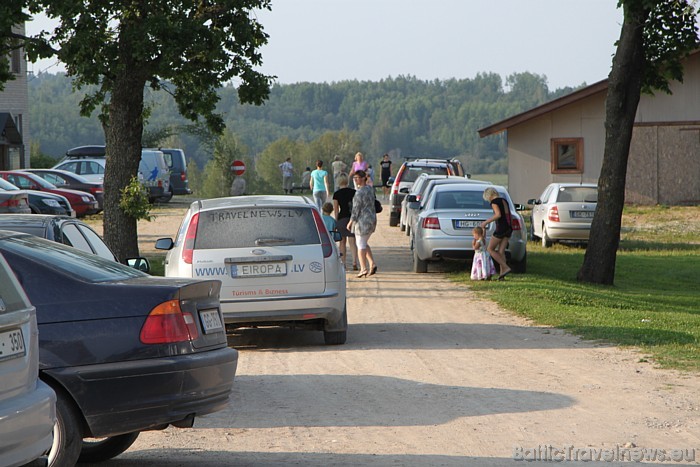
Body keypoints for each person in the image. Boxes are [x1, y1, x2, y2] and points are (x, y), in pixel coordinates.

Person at [347, 170, 377, 278]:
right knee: (363, 242)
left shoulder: (359, 192)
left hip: (362, 221)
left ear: (364, 178)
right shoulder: (370, 189)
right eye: (354, 178)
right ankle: (372, 263)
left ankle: (363, 268)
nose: (355, 180)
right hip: (371, 219)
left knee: (360, 245)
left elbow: (356, 209)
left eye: (357, 178)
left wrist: (350, 222)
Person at [480, 187, 513, 280]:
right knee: (501, 251)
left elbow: (498, 214)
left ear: (489, 195)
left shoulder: (494, 202)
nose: (488, 200)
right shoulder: (504, 200)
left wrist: (486, 222)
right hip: (509, 227)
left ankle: (505, 267)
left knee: (490, 249)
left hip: (501, 228)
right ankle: (502, 275)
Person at [333, 174, 358, 270]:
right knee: (352, 242)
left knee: (342, 242)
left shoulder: (336, 194)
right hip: (352, 218)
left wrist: (336, 220)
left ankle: (343, 263)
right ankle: (354, 261)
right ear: (347, 181)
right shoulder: (354, 192)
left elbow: (336, 209)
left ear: (339, 182)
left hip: (342, 218)